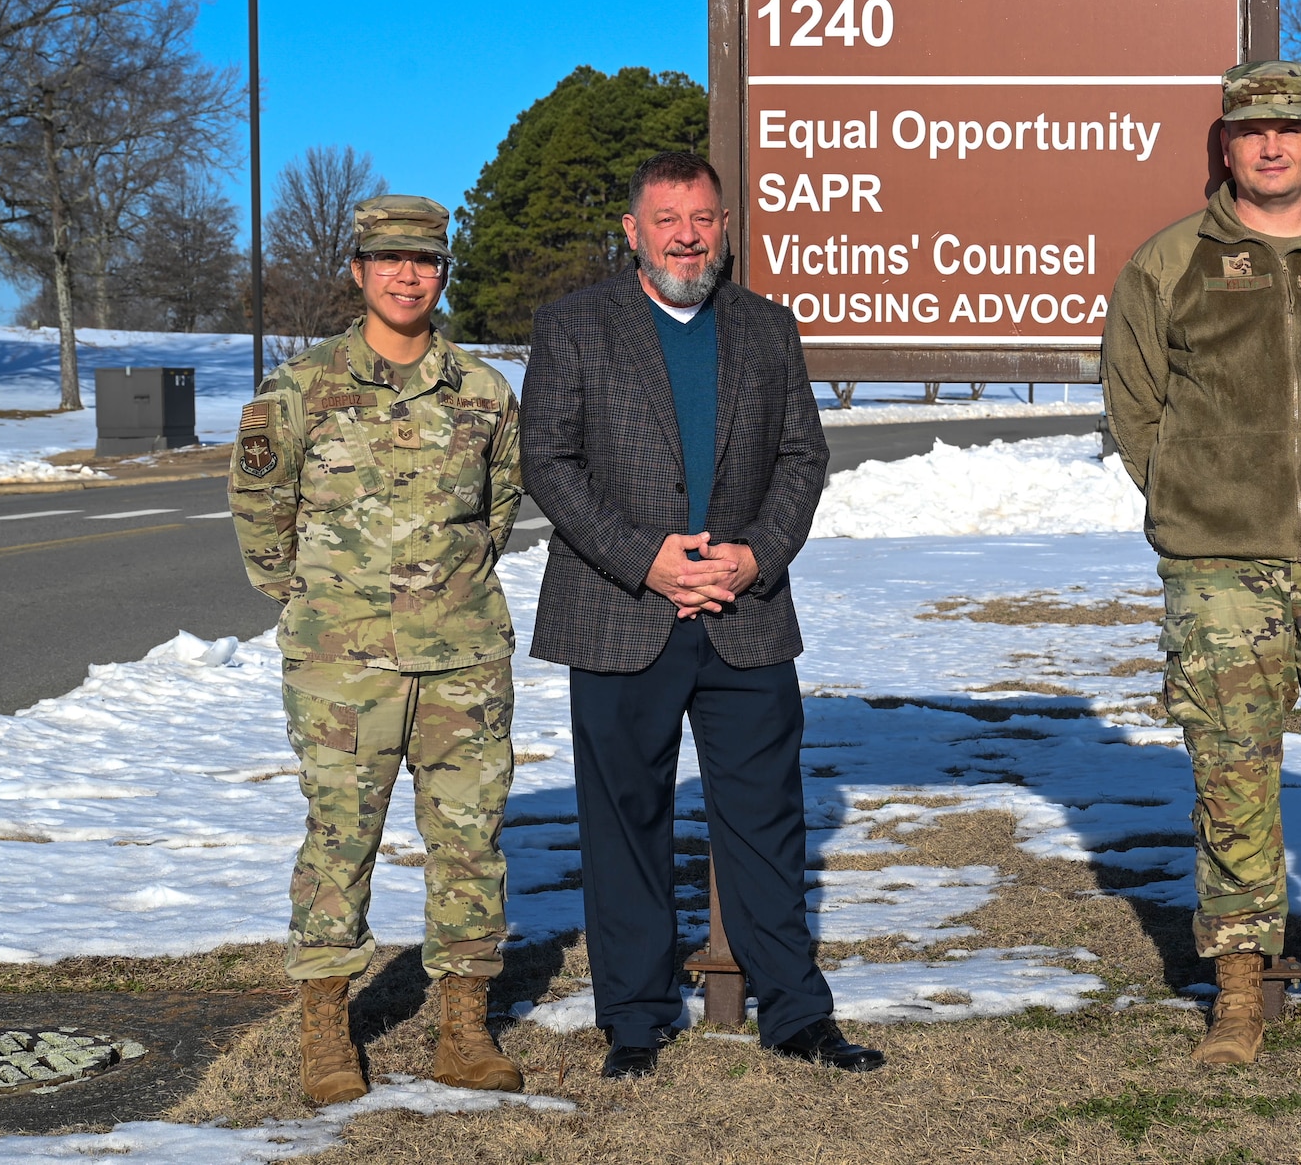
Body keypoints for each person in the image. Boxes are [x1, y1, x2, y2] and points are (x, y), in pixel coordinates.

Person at [521, 150, 882, 1078]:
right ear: (633, 230)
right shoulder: (574, 325)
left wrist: (756, 553)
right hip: (617, 609)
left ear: (726, 226)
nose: (688, 234)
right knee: (624, 820)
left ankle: (795, 1011)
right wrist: (646, 558)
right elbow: (549, 464)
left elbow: (804, 458)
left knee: (765, 818)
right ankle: (636, 1018)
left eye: (705, 217)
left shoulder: (767, 327)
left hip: (744, 611)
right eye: (668, 218)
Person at [1103, 61, 1301, 1066]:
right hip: (1218, 572)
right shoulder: (1170, 263)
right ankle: (1239, 995)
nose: (1270, 144)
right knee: (1231, 782)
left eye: (1289, 127)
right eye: (1250, 130)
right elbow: (1135, 407)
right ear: (1226, 143)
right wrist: (1195, 499)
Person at [230, 195, 526, 1104]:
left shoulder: (481, 391)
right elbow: (260, 518)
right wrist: (317, 605)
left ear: (444, 273)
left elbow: (499, 511)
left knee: (470, 840)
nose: (407, 275)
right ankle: (327, 1029)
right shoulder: (297, 390)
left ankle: (463, 1028)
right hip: (340, 666)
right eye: (388, 259)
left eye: (425, 260)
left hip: (463, 657)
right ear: (356, 271)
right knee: (340, 838)